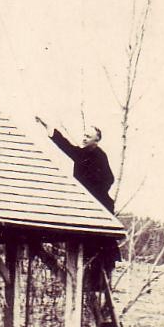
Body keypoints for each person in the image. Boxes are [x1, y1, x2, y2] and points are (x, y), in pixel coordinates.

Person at [36, 116, 120, 271]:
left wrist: (92, 191)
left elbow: (109, 179)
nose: (84, 138)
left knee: (100, 249)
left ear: (96, 140)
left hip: (99, 205)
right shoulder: (82, 154)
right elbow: (67, 147)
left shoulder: (100, 156)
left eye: (88, 137)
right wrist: (51, 130)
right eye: (84, 135)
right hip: (86, 203)